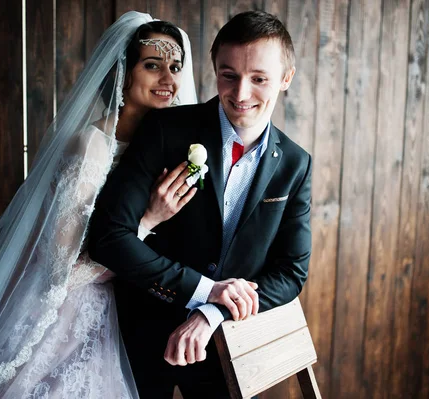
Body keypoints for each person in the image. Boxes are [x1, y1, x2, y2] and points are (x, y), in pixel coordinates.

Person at [0, 12, 200, 398]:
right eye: (152, 65)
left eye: (175, 67)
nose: (169, 80)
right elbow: (63, 271)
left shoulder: (161, 148)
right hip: (66, 317)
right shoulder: (91, 146)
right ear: (122, 73)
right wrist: (145, 223)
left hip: (131, 317)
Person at [88, 10, 312, 398]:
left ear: (286, 78)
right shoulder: (164, 130)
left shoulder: (295, 163)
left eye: (259, 79)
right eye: (229, 75)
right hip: (138, 339)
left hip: (227, 349)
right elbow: (108, 237)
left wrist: (214, 312)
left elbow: (292, 272)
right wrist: (203, 289)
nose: (241, 94)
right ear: (214, 69)